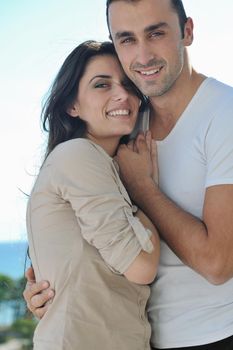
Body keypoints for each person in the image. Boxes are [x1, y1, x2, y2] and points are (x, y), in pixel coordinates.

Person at [24, 1, 233, 349]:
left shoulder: (223, 115)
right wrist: (49, 291)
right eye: (127, 39)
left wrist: (142, 187)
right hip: (139, 337)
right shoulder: (126, 122)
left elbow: (217, 264)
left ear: (187, 31)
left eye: (156, 33)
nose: (143, 55)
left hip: (215, 335)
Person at [26, 39, 160, 350]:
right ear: (72, 106)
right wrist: (143, 189)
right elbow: (141, 267)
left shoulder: (105, 168)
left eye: (128, 84)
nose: (121, 94)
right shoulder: (77, 155)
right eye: (102, 85)